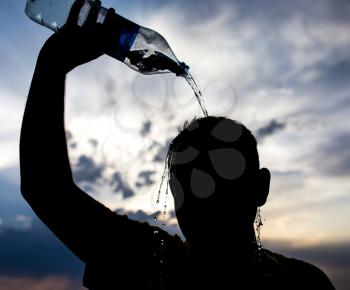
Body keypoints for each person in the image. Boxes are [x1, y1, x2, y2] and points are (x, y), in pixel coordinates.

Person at [20, 1, 335, 289]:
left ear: (259, 187)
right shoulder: (150, 258)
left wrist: (53, 63)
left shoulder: (153, 265)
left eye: (221, 175)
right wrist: (52, 62)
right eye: (186, 182)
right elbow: (47, 189)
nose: (203, 195)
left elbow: (46, 190)